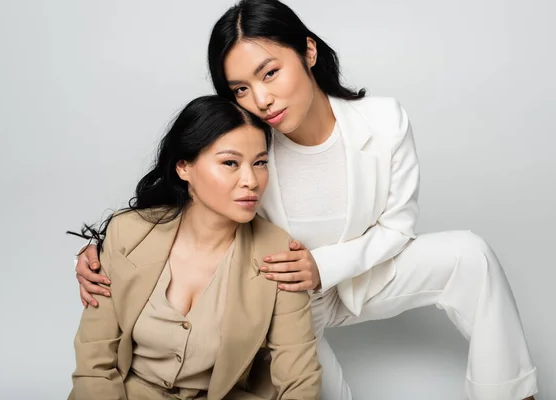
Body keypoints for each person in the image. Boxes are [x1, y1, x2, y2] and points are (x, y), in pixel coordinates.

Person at [74, 1, 538, 399]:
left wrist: (324, 266)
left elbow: (399, 225)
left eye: (270, 72)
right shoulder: (252, 146)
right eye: (240, 89)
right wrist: (104, 249)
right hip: (286, 299)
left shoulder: (384, 120)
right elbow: (194, 182)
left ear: (308, 51)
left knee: (470, 257)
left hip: (366, 275)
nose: (260, 99)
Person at [67, 95, 322, 400]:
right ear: (184, 167)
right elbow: (95, 363)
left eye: (260, 163)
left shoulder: (277, 251)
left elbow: (300, 379)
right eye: (230, 162)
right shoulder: (128, 233)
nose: (251, 180)